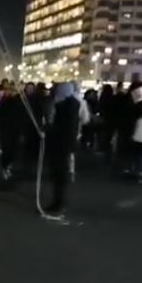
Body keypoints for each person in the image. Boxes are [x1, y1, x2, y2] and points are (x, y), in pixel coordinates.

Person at [44, 82, 83, 216]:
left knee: (59, 175)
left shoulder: (66, 108)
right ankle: (58, 202)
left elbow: (63, 129)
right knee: (59, 175)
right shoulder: (70, 105)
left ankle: (59, 203)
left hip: (61, 146)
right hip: (64, 145)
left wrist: (49, 130)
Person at [0, 82, 25, 178]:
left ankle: (6, 167)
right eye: (6, 90)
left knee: (10, 151)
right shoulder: (5, 100)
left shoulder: (16, 101)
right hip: (5, 129)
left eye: (10, 90)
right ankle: (5, 168)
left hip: (12, 130)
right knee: (7, 150)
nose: (7, 92)